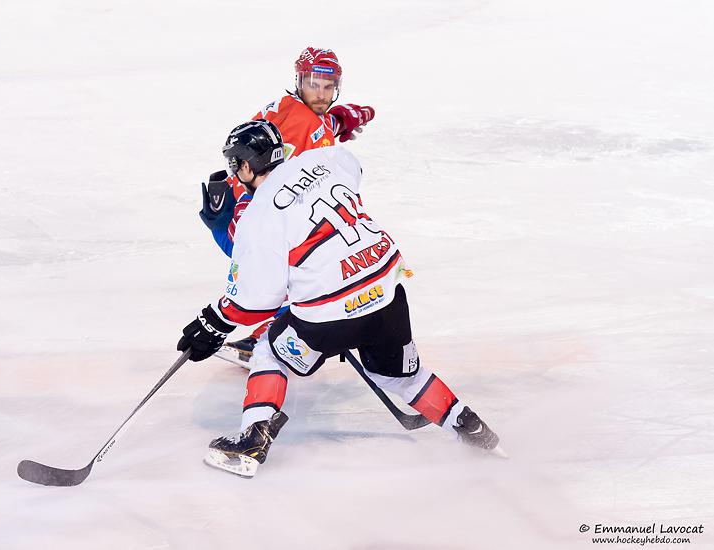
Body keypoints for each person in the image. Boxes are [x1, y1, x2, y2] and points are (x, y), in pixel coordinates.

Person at [177, 120, 503, 478]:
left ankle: (252, 443)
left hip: (330, 311)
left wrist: (211, 323)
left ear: (245, 165)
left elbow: (256, 301)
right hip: (386, 288)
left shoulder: (257, 218)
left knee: (270, 351)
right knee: (401, 377)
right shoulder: (326, 158)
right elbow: (353, 168)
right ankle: (474, 431)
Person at [199, 47, 376, 366]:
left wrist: (335, 121)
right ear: (299, 80)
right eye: (313, 84)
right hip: (244, 212)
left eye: (328, 86)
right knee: (298, 264)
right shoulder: (300, 121)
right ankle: (270, 338)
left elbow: (305, 134)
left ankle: (289, 329)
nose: (320, 94)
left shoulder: (295, 111)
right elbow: (275, 173)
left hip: (236, 203)